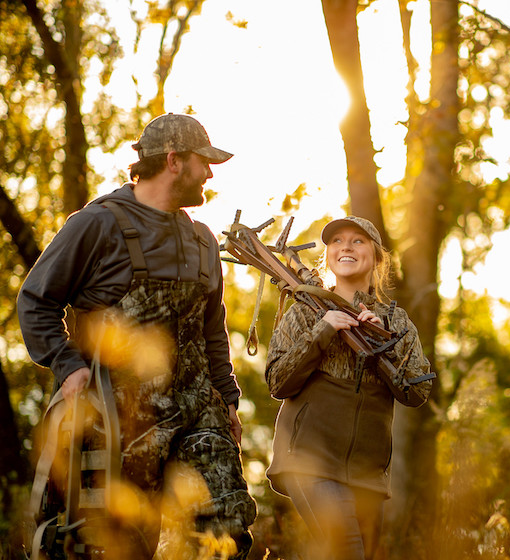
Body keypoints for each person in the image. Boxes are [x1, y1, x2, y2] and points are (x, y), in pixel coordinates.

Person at [17, 113, 257, 559]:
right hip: (118, 417)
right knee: (116, 545)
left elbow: (212, 331)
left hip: (198, 412)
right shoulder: (96, 224)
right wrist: (67, 365)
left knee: (225, 533)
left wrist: (227, 401)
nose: (208, 173)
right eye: (203, 163)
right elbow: (35, 300)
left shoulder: (202, 240)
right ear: (173, 161)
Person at [264, 216, 434, 560]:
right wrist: (322, 333)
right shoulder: (305, 312)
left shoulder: (396, 323)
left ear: (377, 256)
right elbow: (278, 381)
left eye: (358, 241)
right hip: (310, 462)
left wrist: (383, 344)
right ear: (327, 254)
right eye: (337, 241)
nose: (345, 247)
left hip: (368, 476)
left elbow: (416, 394)